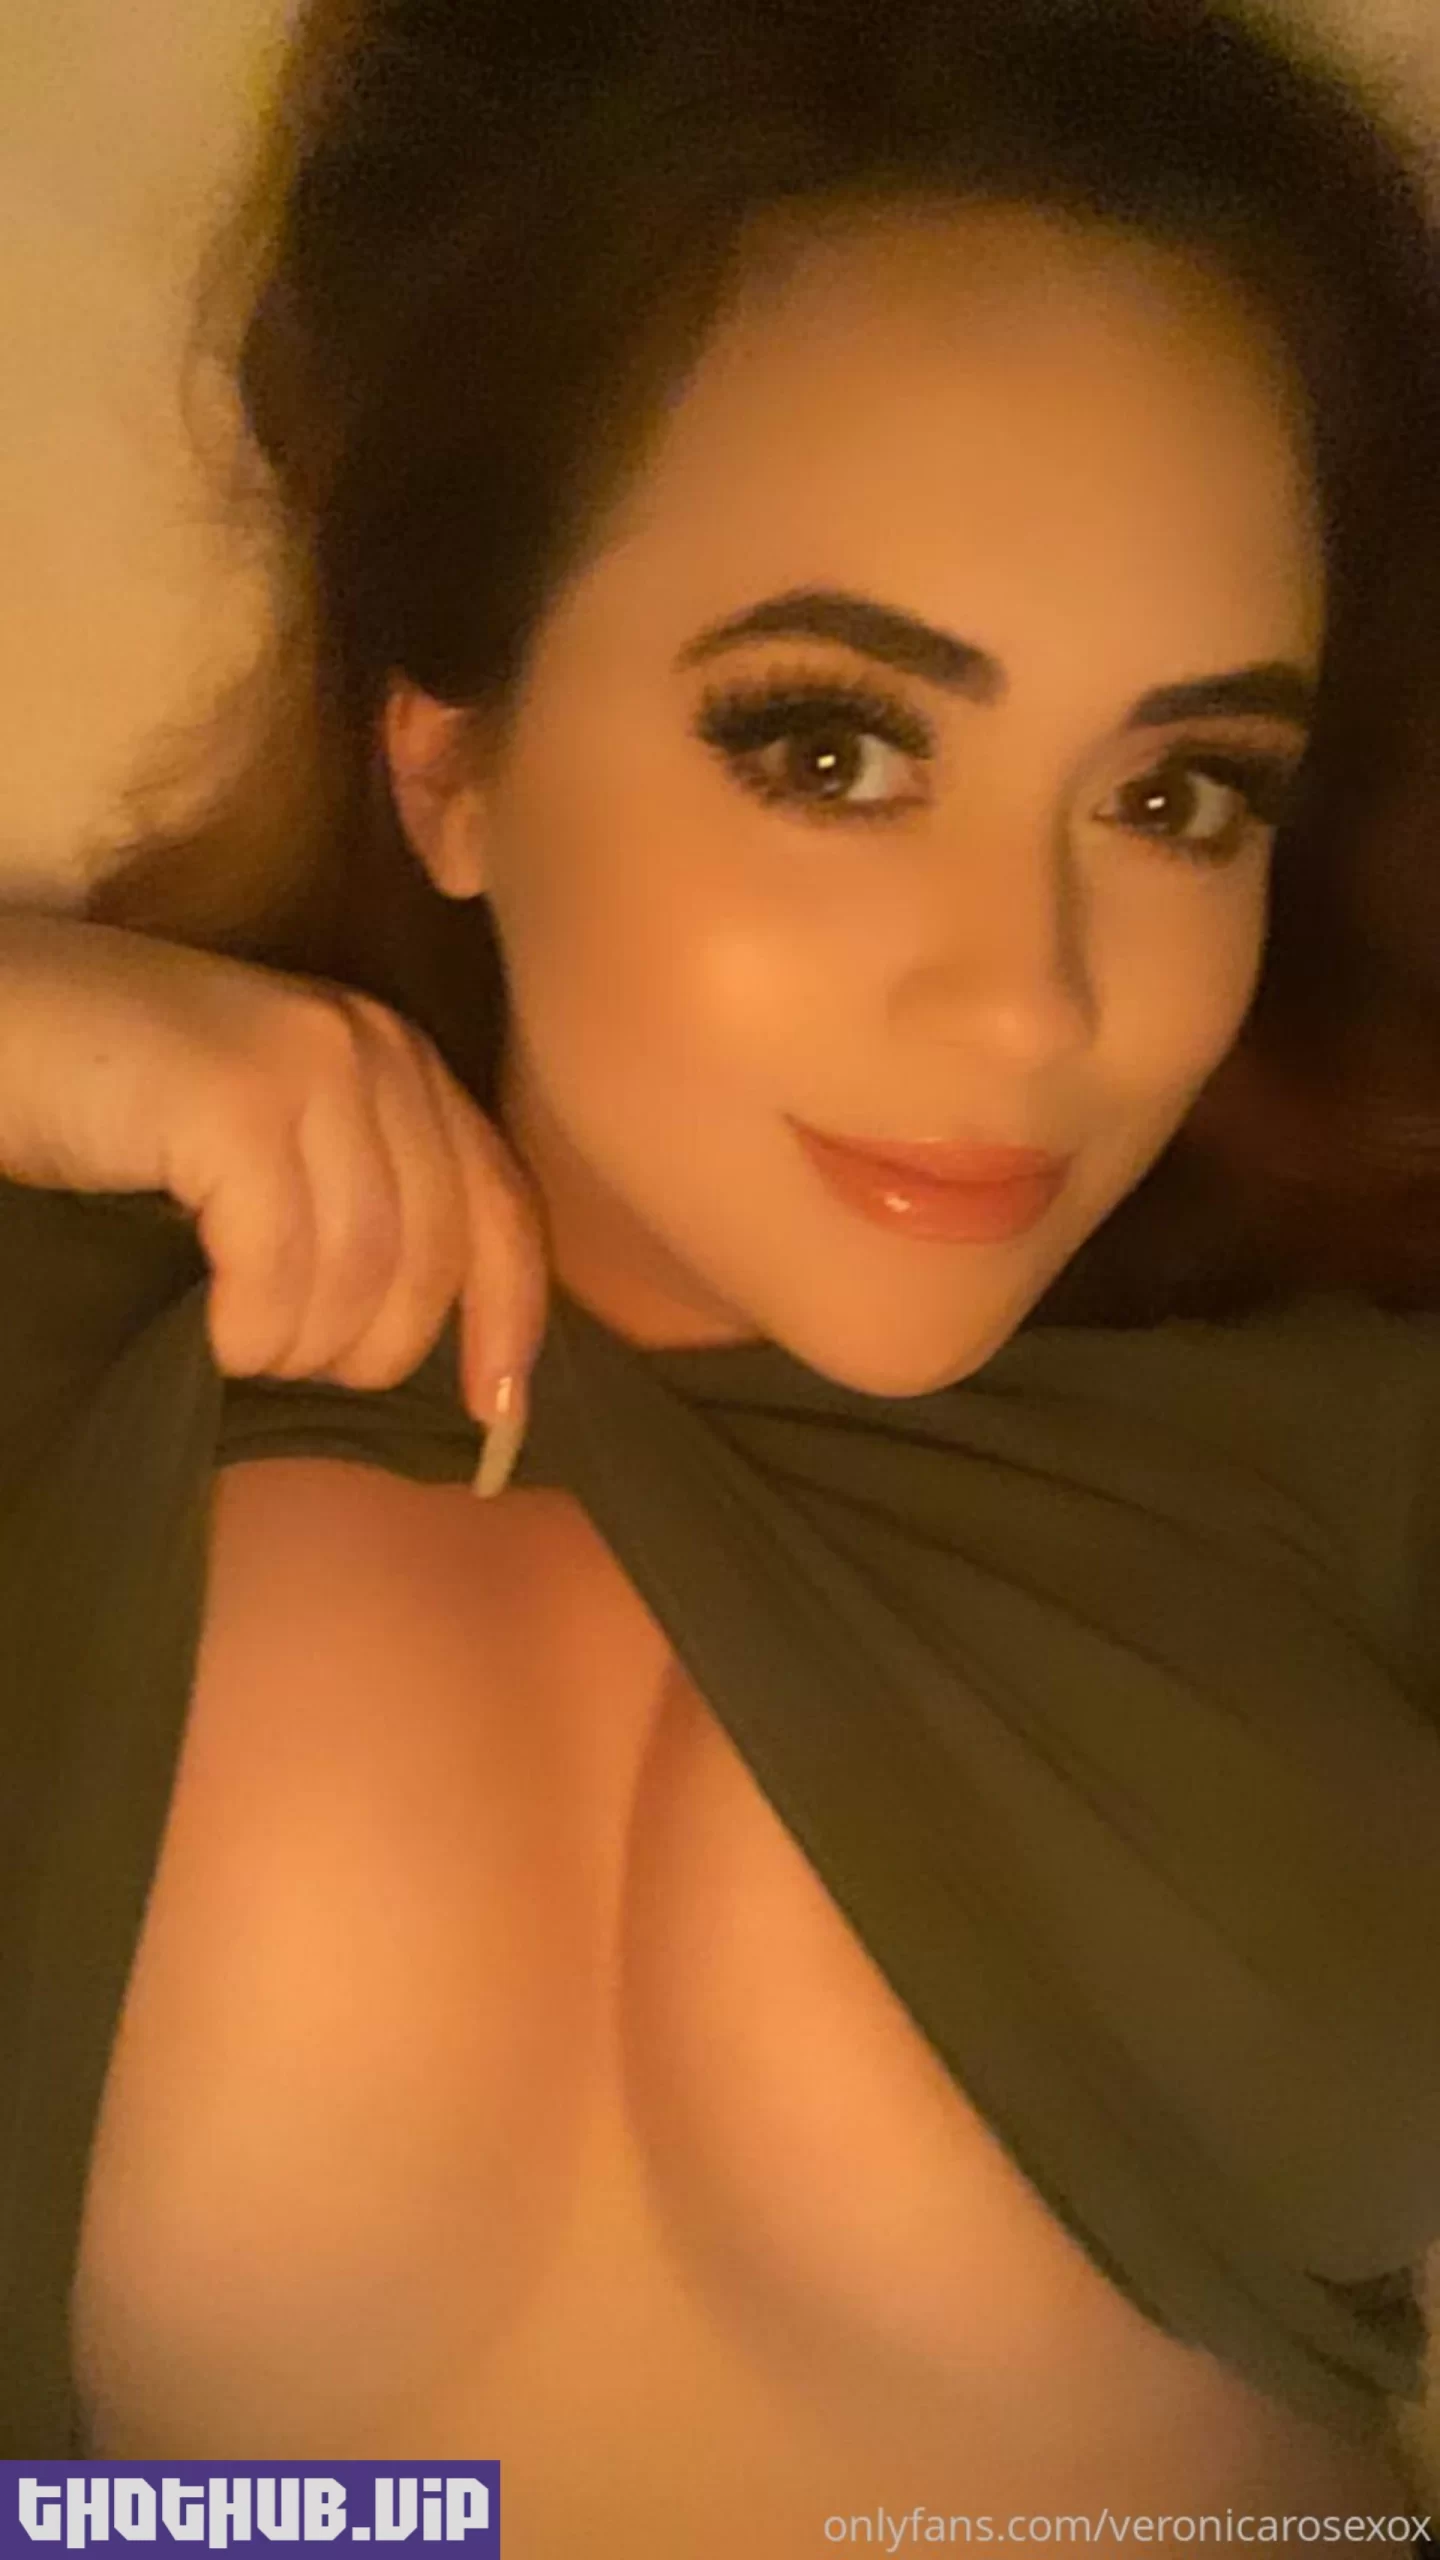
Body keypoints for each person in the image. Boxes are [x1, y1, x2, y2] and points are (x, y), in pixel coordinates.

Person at [2, 0, 1439, 2537]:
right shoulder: (74, 1363)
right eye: (833, 746)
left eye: (1179, 791)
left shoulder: (1349, 1463)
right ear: (448, 759)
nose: (1031, 1004)